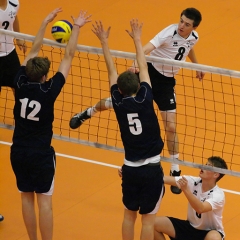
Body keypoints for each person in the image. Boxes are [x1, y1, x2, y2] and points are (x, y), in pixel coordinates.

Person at [69, 8, 204, 194]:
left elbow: (188, 47)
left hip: (166, 84)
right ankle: (88, 113)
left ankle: (175, 169)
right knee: (113, 103)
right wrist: (135, 64)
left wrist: (197, 65)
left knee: (171, 127)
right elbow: (147, 48)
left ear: (194, 27)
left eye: (187, 24)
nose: (182, 26)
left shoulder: (193, 36)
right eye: (181, 21)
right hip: (148, 74)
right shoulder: (168, 32)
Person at [10, 8, 91, 240]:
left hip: (18, 152)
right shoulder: (49, 90)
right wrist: (76, 27)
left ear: (28, 72)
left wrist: (44, 22)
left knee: (26, 198)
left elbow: (33, 50)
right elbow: (68, 56)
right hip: (41, 156)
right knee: (44, 202)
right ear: (46, 76)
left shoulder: (20, 81)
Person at [92, 19, 164, 240]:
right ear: (138, 86)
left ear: (120, 91)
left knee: (128, 216)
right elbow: (143, 67)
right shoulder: (146, 97)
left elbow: (111, 70)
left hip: (130, 168)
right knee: (148, 220)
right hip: (151, 168)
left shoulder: (118, 102)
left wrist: (104, 41)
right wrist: (138, 39)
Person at [154, 156, 228, 240]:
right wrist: (146, 174)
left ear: (216, 174)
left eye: (208, 166)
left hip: (208, 232)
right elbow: (165, 179)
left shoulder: (218, 195)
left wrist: (185, 189)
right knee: (153, 224)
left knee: (214, 237)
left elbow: (200, 208)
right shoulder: (193, 181)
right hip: (189, 228)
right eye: (205, 164)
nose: (203, 167)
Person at [0, 0, 27, 92]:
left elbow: (14, 17)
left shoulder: (14, 3)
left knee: (18, 86)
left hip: (10, 53)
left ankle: (19, 107)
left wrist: (18, 37)